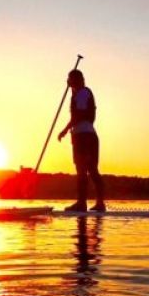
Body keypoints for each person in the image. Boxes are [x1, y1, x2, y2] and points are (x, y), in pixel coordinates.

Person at [57, 69, 105, 212]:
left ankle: (83, 203)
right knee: (90, 169)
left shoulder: (83, 93)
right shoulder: (78, 94)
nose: (68, 81)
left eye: (69, 79)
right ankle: (96, 203)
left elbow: (79, 115)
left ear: (76, 80)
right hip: (84, 135)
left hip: (84, 136)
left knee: (84, 170)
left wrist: (65, 130)